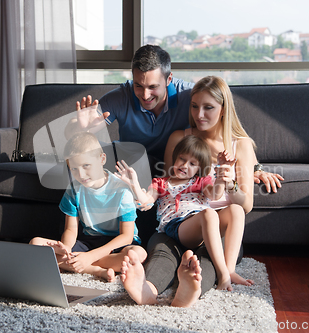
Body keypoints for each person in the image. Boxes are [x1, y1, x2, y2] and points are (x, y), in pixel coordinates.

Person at [65, 44, 283, 193]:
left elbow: (227, 126)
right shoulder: (122, 96)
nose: (145, 94)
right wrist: (80, 128)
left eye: (153, 87)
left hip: (176, 164)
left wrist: (255, 168)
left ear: (169, 78)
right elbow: (71, 134)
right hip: (135, 162)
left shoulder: (190, 96)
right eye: (138, 85)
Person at [119, 75, 259, 307]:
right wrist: (137, 187)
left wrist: (229, 181)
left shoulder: (240, 145)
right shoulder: (180, 138)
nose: (199, 115)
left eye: (208, 108)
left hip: (218, 229)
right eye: (194, 106)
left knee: (208, 260)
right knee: (164, 254)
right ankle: (147, 288)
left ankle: (192, 290)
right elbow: (168, 184)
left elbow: (245, 206)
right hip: (176, 223)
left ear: (224, 109)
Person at [115, 135, 254, 292]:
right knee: (209, 214)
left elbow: (215, 194)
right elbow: (146, 202)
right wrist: (134, 185)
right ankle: (223, 275)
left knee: (236, 209)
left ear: (198, 168)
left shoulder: (201, 181)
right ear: (175, 158)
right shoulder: (161, 183)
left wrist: (222, 174)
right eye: (182, 159)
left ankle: (230, 270)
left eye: (192, 163)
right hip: (177, 227)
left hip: (203, 224)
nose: (185, 165)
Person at [30, 132, 147, 282]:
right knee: (36, 243)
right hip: (89, 241)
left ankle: (81, 263)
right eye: (74, 169)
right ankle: (96, 270)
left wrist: (90, 256)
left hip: (117, 244)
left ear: (102, 159)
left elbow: (126, 236)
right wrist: (65, 248)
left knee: (137, 254)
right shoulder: (73, 189)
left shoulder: (122, 190)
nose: (81, 174)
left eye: (86, 166)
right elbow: (71, 229)